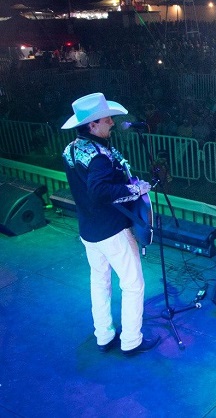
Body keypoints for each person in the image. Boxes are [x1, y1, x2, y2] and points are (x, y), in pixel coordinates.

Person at [61, 93, 160, 355]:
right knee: (133, 284)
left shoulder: (71, 149)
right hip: (111, 231)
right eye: (107, 120)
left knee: (99, 281)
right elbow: (100, 191)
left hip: (89, 230)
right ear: (92, 125)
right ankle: (131, 341)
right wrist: (135, 190)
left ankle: (103, 335)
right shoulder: (99, 156)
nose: (112, 124)